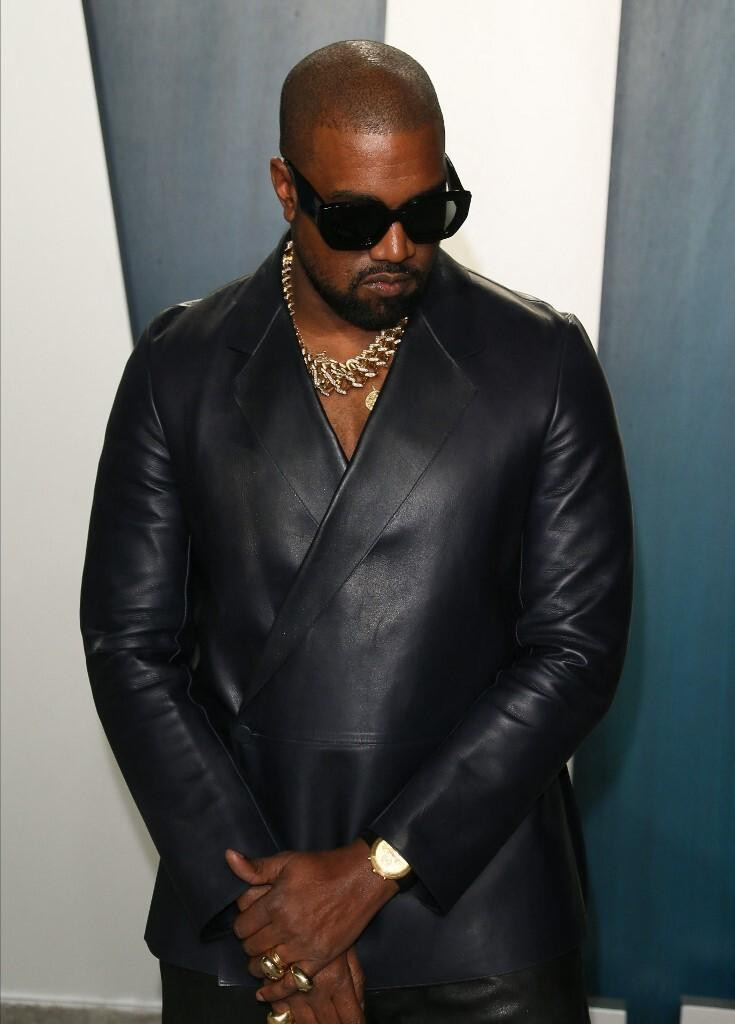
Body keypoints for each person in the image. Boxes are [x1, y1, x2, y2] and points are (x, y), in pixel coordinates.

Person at [80, 39, 634, 1024]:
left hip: (480, 913)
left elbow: (574, 651)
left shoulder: (539, 363)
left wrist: (373, 868)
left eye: (428, 211)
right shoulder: (179, 367)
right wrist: (277, 916)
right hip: (250, 906)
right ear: (285, 189)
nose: (397, 247)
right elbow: (130, 650)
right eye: (355, 218)